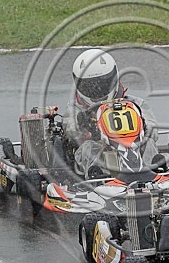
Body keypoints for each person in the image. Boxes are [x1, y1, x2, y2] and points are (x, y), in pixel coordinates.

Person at [65, 48, 158, 178]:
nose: (97, 90)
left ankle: (153, 178)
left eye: (102, 84)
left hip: (132, 147)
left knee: (148, 143)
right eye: (90, 86)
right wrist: (85, 128)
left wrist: (143, 125)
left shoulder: (135, 104)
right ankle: (97, 179)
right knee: (88, 147)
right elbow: (70, 129)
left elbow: (153, 130)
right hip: (101, 154)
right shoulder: (76, 109)